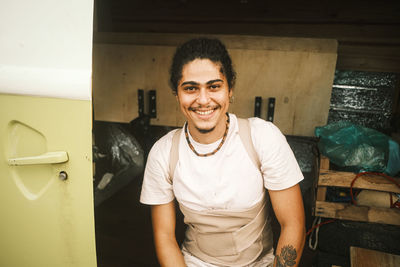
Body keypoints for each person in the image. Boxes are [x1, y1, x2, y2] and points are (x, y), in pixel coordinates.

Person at [140, 38, 305, 267]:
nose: (203, 100)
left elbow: (293, 224)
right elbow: (165, 237)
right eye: (190, 88)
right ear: (177, 94)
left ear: (230, 89)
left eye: (214, 86)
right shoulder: (163, 153)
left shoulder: (262, 137)